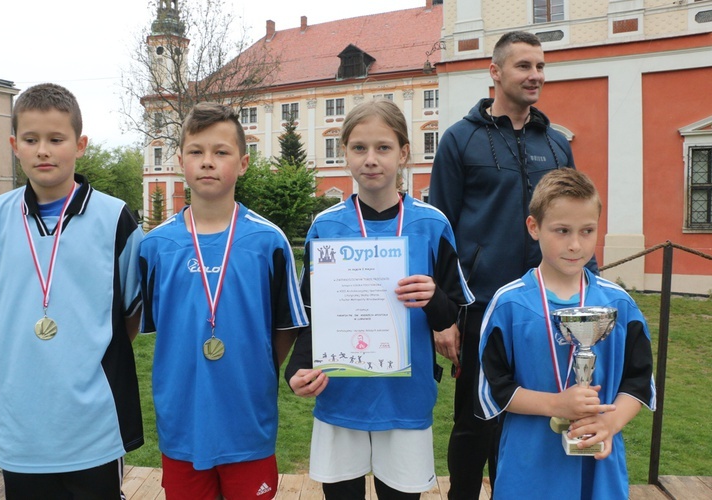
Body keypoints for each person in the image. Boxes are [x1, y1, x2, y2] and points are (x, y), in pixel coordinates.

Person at [429, 30, 596, 498]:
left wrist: (593, 290)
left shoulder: (557, 144)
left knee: (529, 416)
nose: (535, 75)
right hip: (480, 307)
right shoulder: (460, 141)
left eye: (541, 66)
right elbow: (441, 231)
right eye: (524, 66)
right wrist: (445, 313)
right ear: (495, 73)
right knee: (475, 421)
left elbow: (574, 217)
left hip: (543, 304)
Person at [286, 99, 474, 499]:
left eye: (383, 148)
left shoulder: (431, 223)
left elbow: (455, 310)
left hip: (405, 399)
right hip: (340, 395)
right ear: (345, 154)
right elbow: (309, 310)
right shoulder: (325, 226)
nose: (371, 159)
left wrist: (433, 297)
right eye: (359, 148)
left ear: (404, 153)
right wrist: (298, 368)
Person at [0, 83, 144, 498]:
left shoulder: (116, 219)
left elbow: (130, 315)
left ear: (80, 144)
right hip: (20, 427)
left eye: (56, 139)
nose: (43, 150)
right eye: (31, 140)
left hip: (93, 426)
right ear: (15, 145)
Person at [139, 102, 308, 500]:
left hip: (247, 420)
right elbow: (154, 326)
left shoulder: (268, 241)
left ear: (244, 163)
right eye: (196, 152)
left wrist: (256, 368)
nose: (208, 162)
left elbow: (287, 327)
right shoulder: (155, 246)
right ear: (180, 160)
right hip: (181, 421)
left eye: (221, 152)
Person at [476, 168, 655, 499]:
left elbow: (639, 381)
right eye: (562, 230)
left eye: (587, 231)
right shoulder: (509, 305)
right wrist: (557, 403)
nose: (575, 244)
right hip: (530, 465)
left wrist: (610, 425)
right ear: (534, 227)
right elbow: (494, 390)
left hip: (598, 462)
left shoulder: (619, 304)